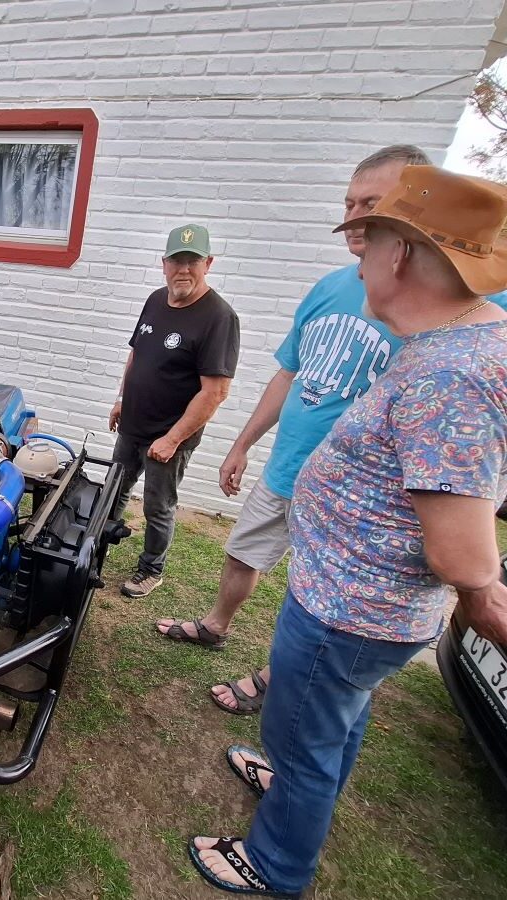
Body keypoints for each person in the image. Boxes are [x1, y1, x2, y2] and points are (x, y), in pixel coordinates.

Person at [188, 165, 507, 897]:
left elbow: (463, 555)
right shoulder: (452, 344)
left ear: (402, 255)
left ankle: (276, 863)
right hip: (353, 604)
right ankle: (299, 782)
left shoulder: (452, 375)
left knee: (301, 733)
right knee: (333, 720)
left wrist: (485, 601)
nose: (359, 257)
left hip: (352, 612)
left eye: (371, 241)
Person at [155, 145, 507, 714]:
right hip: (291, 464)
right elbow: (289, 373)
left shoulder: (464, 309)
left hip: (369, 507)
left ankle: (281, 680)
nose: (357, 219)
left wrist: (480, 587)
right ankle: (218, 626)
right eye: (350, 204)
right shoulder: (329, 287)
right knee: (246, 555)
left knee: (323, 607)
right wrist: (243, 444)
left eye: (374, 206)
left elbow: (469, 440)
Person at [109, 224, 240, 598]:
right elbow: (137, 354)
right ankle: (100, 542)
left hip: (169, 435)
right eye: (176, 261)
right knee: (115, 489)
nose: (183, 270)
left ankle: (151, 569)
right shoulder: (155, 300)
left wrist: (172, 439)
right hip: (133, 423)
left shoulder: (219, 317)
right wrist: (122, 399)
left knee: (158, 505)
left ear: (208, 263)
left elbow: (215, 392)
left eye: (192, 262)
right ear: (164, 264)